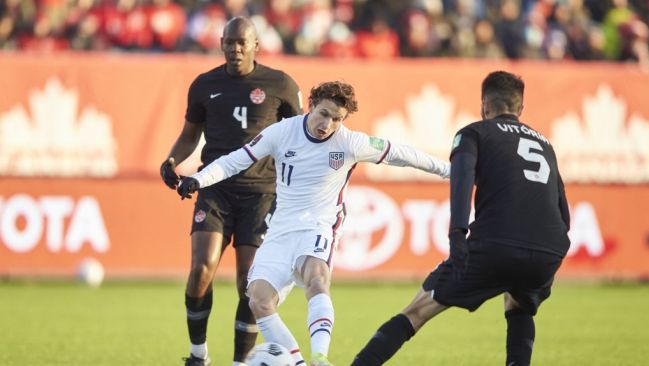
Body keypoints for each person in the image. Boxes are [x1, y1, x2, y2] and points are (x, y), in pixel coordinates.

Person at [176, 81, 451, 366]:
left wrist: (450, 171)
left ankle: (320, 357)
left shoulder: (349, 142)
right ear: (311, 105)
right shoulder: (283, 132)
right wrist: (199, 179)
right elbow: (235, 161)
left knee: (317, 280)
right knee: (257, 300)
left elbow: (403, 154)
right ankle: (298, 363)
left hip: (319, 227)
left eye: (337, 119)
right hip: (280, 230)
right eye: (324, 113)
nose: (328, 124)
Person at [351, 71, 571, 366]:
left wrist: (458, 234)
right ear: (520, 109)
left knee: (418, 310)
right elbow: (563, 207)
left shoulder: (474, 133)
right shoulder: (545, 144)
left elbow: (462, 181)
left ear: (484, 106)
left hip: (496, 245)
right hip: (549, 249)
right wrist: (550, 249)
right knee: (519, 305)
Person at [160, 16, 303, 366]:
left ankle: (241, 362)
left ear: (256, 45)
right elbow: (190, 134)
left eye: (242, 43)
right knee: (201, 269)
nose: (235, 49)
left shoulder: (280, 84)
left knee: (248, 283)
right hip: (214, 189)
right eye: (229, 42)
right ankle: (198, 355)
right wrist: (172, 160)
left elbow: (299, 136)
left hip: (262, 193)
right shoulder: (204, 84)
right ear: (221, 42)